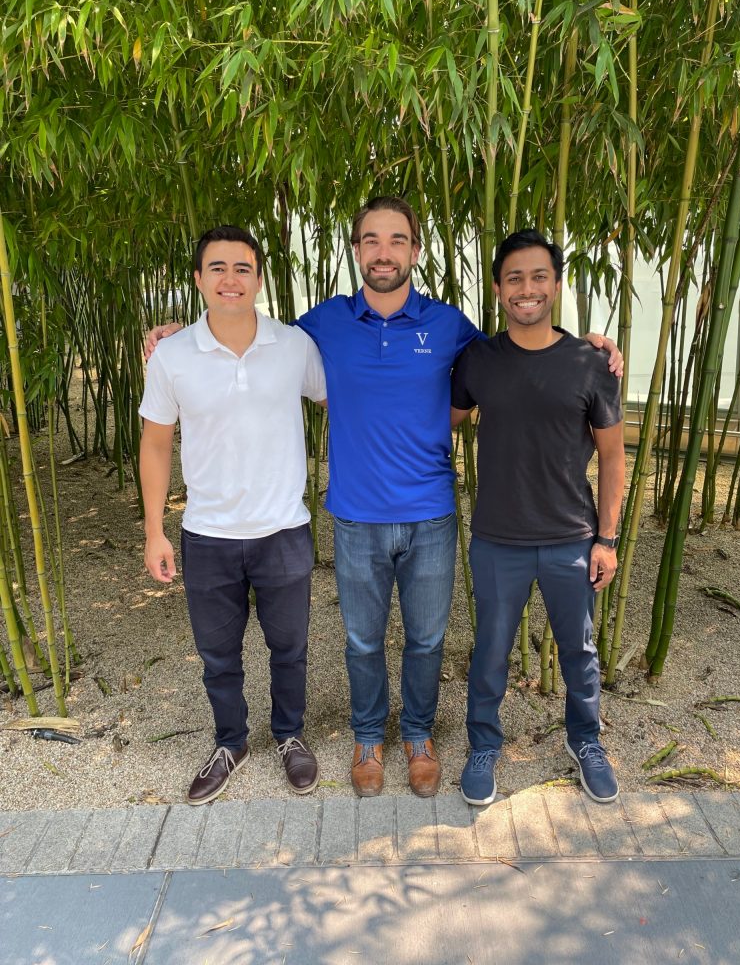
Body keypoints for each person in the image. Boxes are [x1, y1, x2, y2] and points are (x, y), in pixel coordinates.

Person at [146, 198, 622, 800]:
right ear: (356, 250)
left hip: (431, 516)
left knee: (426, 640)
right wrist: (172, 336)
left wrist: (593, 347)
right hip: (355, 516)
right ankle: (368, 737)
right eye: (371, 240)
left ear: (415, 252)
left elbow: (526, 348)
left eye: (397, 240)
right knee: (364, 641)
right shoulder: (320, 325)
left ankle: (419, 736)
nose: (384, 252)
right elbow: (245, 326)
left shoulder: (451, 327)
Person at [140, 225, 327, 805]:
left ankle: (290, 735)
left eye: (242, 268)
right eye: (217, 268)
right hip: (209, 533)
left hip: (284, 529)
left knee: (289, 646)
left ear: (258, 278)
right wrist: (153, 531)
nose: (230, 279)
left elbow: (343, 398)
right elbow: (154, 443)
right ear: (197, 279)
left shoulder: (295, 346)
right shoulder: (172, 354)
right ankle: (231, 742)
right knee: (217, 654)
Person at [450, 229, 625, 806]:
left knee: (579, 651)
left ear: (556, 283)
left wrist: (607, 539)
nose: (527, 289)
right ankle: (483, 746)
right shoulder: (478, 359)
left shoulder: (589, 362)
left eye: (539, 276)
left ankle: (586, 741)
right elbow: (444, 419)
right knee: (491, 651)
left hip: (571, 538)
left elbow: (613, 454)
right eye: (514, 278)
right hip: (498, 538)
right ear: (499, 288)